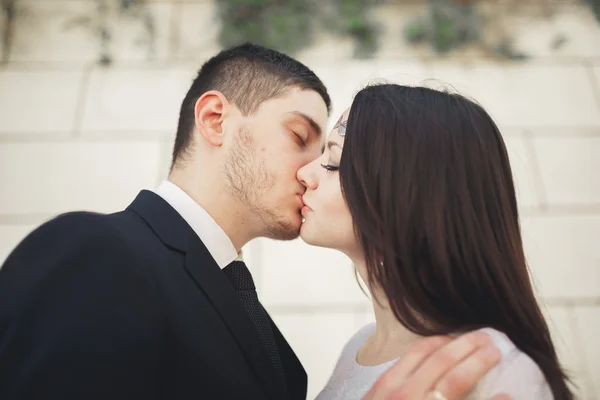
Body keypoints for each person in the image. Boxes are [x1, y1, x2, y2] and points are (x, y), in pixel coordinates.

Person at [0, 44, 500, 400]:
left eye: (324, 152)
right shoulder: (95, 252)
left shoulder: (257, 323)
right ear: (216, 119)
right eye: (299, 135)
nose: (310, 171)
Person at [298, 83, 574, 400]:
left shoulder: (490, 365)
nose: (305, 173)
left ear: (404, 194)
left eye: (332, 161)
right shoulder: (356, 349)